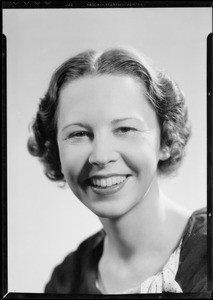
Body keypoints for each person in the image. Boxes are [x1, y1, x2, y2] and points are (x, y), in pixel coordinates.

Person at [27, 47, 207, 294]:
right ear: (56, 151)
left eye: (125, 129)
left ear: (166, 139)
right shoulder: (67, 280)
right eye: (78, 134)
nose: (100, 156)